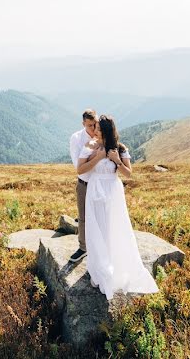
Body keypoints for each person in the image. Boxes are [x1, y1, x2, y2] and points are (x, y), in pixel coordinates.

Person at [76, 114, 159, 301]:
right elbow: (80, 170)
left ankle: (115, 265)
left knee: (114, 228)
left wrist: (117, 160)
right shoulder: (90, 146)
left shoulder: (120, 148)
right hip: (96, 191)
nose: (94, 131)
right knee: (97, 229)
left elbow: (128, 174)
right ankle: (99, 268)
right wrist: (97, 158)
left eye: (97, 128)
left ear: (105, 130)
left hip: (113, 192)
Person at [68, 109, 105, 263]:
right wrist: (96, 155)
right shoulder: (76, 138)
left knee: (101, 217)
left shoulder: (102, 135)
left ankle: (101, 248)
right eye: (90, 125)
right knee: (83, 218)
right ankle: (83, 248)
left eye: (95, 124)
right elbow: (79, 167)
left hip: (101, 184)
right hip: (85, 183)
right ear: (83, 124)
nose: (93, 128)